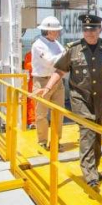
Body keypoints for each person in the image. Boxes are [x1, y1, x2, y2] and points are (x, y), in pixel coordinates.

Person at [35, 14, 102, 189]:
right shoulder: (73, 49)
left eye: (93, 29)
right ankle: (90, 175)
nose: (89, 33)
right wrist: (47, 89)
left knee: (97, 132)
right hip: (81, 98)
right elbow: (60, 71)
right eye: (85, 29)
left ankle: (94, 168)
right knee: (88, 132)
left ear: (100, 30)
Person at [31, 16, 65, 149]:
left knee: (59, 112)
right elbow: (51, 61)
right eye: (56, 31)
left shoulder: (56, 43)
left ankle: (56, 141)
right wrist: (66, 54)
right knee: (41, 114)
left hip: (56, 80)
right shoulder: (38, 45)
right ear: (48, 31)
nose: (58, 33)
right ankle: (42, 141)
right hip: (42, 81)